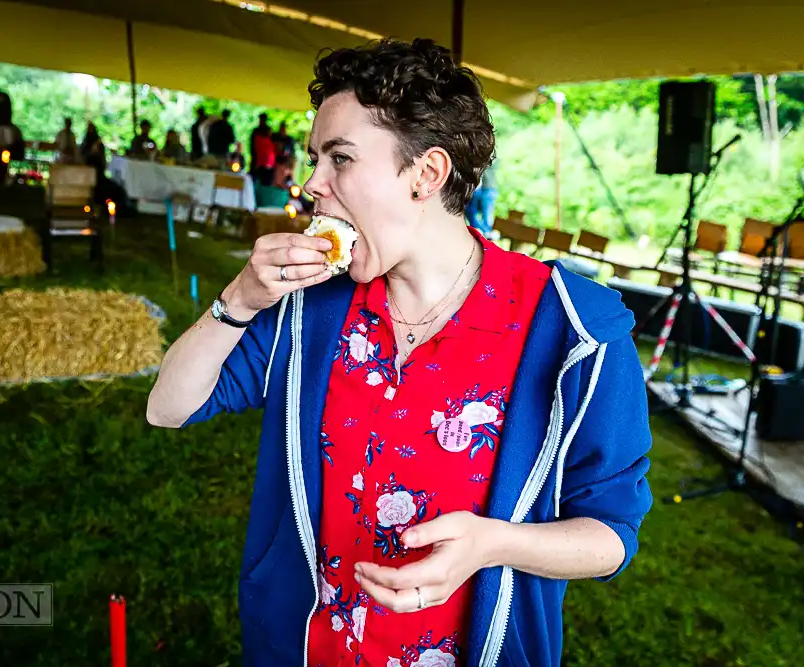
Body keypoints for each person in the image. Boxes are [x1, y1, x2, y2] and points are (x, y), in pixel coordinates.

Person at [146, 38, 651, 667]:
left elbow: (611, 533)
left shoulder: (575, 329)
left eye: (339, 159)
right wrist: (239, 299)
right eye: (313, 159)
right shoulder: (313, 308)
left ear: (426, 175)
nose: (310, 185)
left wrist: (492, 544)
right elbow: (168, 408)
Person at [466, 157, 499, 236]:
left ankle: (487, 232)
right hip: (480, 189)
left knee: (486, 213)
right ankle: (482, 230)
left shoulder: (491, 160)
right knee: (470, 210)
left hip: (488, 189)